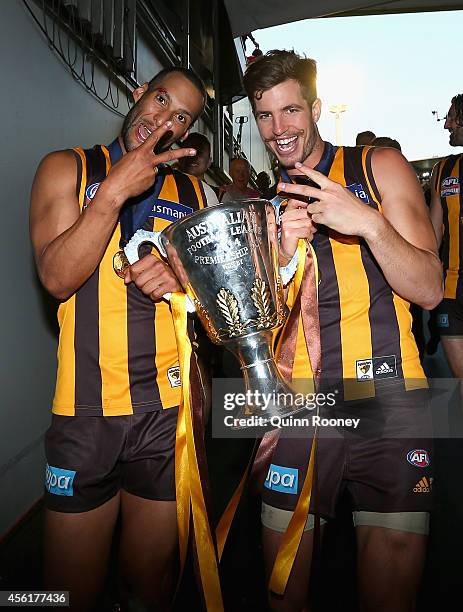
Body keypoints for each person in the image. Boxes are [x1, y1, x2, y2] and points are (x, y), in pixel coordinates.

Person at [243, 49, 442, 612]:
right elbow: (252, 328)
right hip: (302, 411)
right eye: (265, 116)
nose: (279, 130)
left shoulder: (375, 167)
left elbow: (428, 286)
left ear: (316, 109)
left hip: (392, 400)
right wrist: (279, 254)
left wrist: (369, 225)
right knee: (283, 590)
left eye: (290, 111)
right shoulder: (261, 205)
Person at [30, 67, 214, 611]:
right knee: (66, 595)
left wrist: (184, 280)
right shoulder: (67, 167)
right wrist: (112, 193)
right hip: (86, 412)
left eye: (180, 116)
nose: (164, 120)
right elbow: (57, 277)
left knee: (148, 587)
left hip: (165, 414)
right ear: (138, 94)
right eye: (160, 100)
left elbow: (216, 313)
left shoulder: (192, 191)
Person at [430, 94, 463, 404]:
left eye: (452, 117)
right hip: (451, 292)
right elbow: (433, 229)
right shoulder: (443, 169)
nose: (447, 124)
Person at [175, 131, 219, 204]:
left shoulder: (214, 195)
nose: (193, 156)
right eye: (189, 151)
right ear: (179, 156)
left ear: (209, 162)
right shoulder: (161, 183)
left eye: (199, 152)